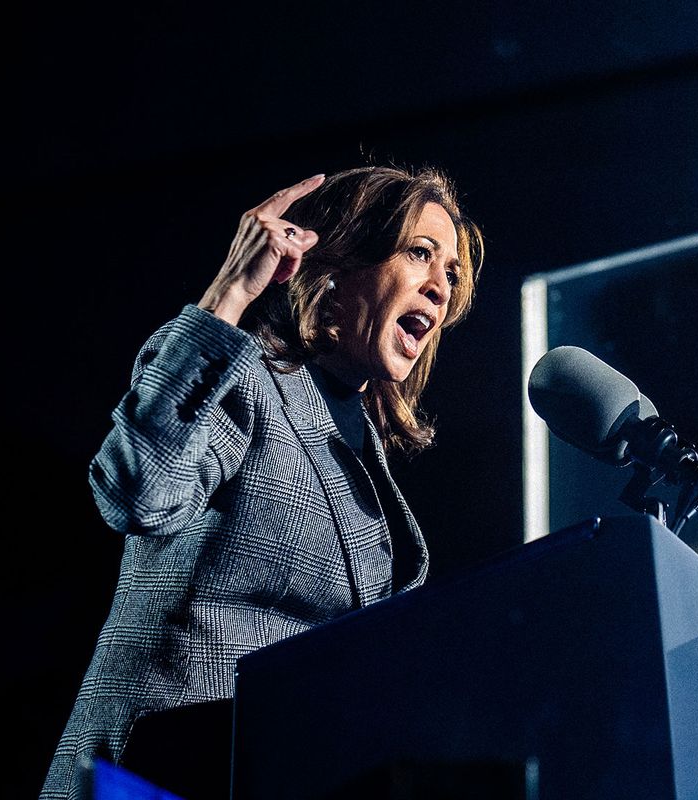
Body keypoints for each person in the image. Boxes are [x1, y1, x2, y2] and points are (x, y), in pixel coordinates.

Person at [40, 165, 484, 799]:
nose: (441, 289)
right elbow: (132, 489)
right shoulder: (245, 378)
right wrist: (228, 295)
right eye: (420, 254)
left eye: (452, 273)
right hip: (158, 777)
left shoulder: (363, 459)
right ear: (340, 262)